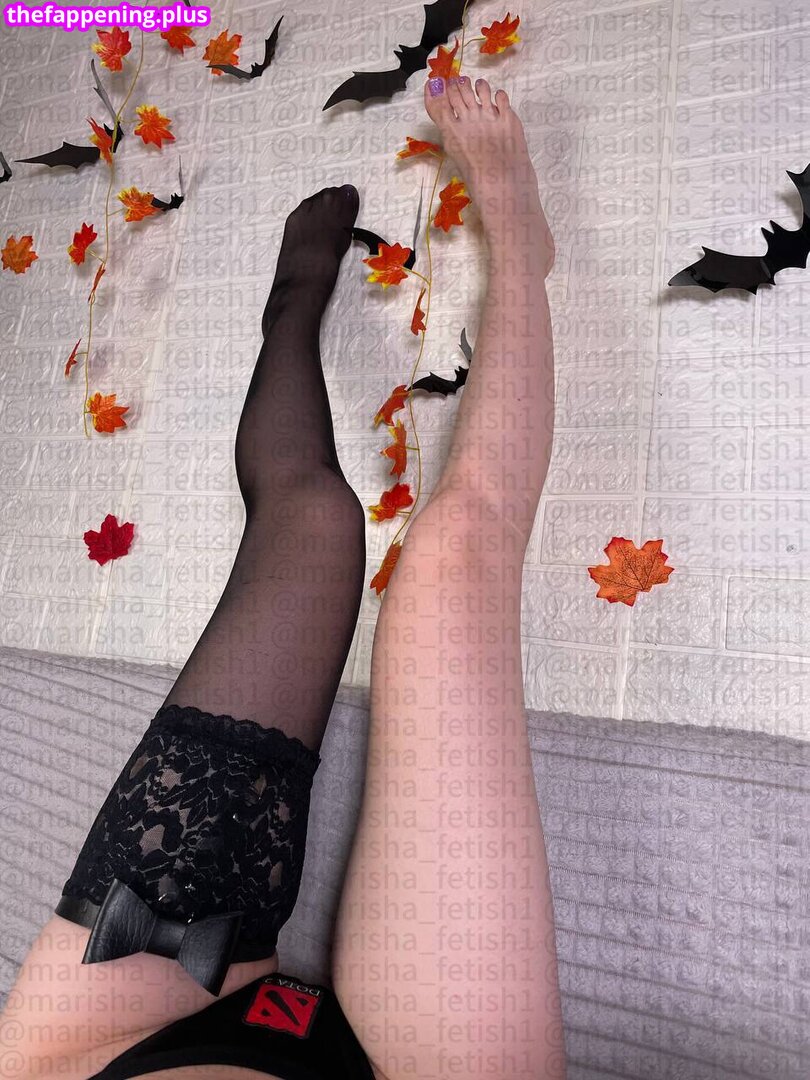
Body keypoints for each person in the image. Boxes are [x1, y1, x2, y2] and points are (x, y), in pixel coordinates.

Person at [0, 73, 565, 1080]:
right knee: (451, 554)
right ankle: (523, 245)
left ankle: (292, 310)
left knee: (314, 519)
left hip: (99, 1049)